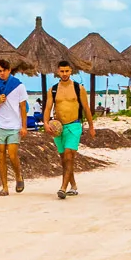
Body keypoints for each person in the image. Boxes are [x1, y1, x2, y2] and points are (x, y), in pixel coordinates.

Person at [44, 60, 96, 199]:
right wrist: (45, 123)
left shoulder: (79, 88)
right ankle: (73, 185)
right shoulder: (53, 90)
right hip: (58, 128)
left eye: (67, 71)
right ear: (58, 71)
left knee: (68, 155)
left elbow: (86, 108)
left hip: (74, 125)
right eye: (62, 71)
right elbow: (48, 107)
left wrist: (91, 126)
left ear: (71, 71)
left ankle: (63, 188)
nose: (64, 73)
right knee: (64, 159)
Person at [0, 59, 28, 196]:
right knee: (1, 156)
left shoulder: (19, 86)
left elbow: (23, 108)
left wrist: (24, 126)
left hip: (14, 125)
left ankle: (18, 176)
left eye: (4, 71)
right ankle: (4, 187)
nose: (2, 73)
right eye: (0, 71)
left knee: (12, 155)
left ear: (9, 70)